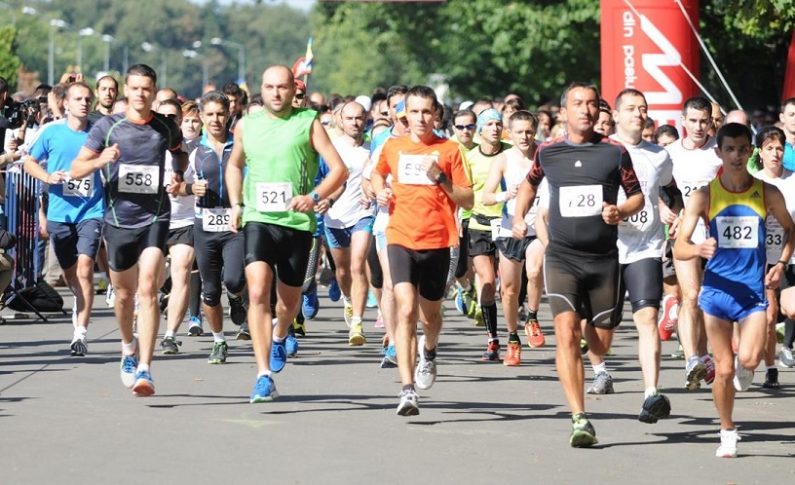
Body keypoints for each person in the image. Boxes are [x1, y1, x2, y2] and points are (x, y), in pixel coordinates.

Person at [512, 82, 644, 447]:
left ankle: (593, 344)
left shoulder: (615, 153)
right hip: (562, 257)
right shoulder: (549, 153)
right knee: (566, 331)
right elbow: (528, 185)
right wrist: (519, 216)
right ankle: (579, 416)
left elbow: (637, 197)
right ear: (564, 111)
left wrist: (620, 210)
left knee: (599, 341)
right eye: (577, 103)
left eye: (591, 104)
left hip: (603, 260)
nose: (585, 110)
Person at [226, 65, 347, 403]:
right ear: (261, 90)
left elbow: (339, 169)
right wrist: (236, 204)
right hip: (258, 218)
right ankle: (263, 374)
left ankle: (280, 334)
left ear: (292, 89)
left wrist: (314, 197)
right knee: (258, 291)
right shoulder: (247, 125)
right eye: (269, 87)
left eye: (282, 87)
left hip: (296, 223)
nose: (276, 93)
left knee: (288, 302)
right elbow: (234, 164)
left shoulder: (307, 122)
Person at [674, 122, 794, 458]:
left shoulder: (767, 192)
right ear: (720, 152)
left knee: (751, 359)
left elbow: (790, 230)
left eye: (743, 149)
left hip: (752, 292)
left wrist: (780, 265)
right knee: (723, 369)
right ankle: (727, 429)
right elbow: (679, 247)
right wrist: (698, 250)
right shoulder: (704, 195)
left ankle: (747, 366)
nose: (737, 156)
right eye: (730, 149)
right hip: (716, 293)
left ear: (750, 152)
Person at [71, 64, 186, 397]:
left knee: (148, 288)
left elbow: (180, 154)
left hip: (155, 216)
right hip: (118, 220)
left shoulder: (165, 126)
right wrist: (101, 160)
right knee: (123, 295)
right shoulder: (108, 127)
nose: (140, 94)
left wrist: (178, 176)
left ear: (153, 90)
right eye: (134, 88)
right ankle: (127, 345)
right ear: (127, 91)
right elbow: (77, 168)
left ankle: (146, 369)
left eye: (146, 89)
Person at [371, 85, 473, 416]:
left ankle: (429, 351)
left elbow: (468, 199)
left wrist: (442, 179)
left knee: (430, 317)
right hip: (400, 237)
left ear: (436, 114)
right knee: (405, 310)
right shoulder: (393, 146)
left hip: (438, 242)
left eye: (426, 111)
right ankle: (407, 389)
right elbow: (375, 174)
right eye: (414, 111)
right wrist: (379, 192)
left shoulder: (449, 150)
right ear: (405, 115)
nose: (420, 118)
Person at [583, 89, 681, 425]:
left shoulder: (659, 155)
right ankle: (599, 367)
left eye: (643, 108)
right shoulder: (599, 152)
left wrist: (674, 212)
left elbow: (669, 189)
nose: (638, 114)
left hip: (646, 248)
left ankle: (651, 393)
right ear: (617, 116)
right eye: (630, 108)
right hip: (606, 249)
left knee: (647, 319)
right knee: (601, 328)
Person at [24, 81, 103, 356]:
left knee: (84, 271)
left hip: (92, 212)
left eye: (87, 99)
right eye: (78, 98)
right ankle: (80, 304)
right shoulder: (51, 133)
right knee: (72, 275)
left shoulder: (99, 133)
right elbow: (28, 161)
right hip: (60, 214)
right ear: (65, 104)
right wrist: (47, 177)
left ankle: (80, 333)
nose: (84, 103)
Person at [482, 110, 546, 366]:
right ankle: (512, 338)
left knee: (535, 269)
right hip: (510, 230)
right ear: (511, 133)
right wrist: (505, 195)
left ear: (535, 131)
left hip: (537, 229)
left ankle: (531, 316)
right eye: (519, 132)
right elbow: (486, 195)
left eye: (529, 131)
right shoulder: (503, 159)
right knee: (508, 291)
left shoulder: (545, 154)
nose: (525, 137)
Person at [667, 96, 722, 390]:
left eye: (704, 121)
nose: (699, 127)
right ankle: (692, 360)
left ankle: (703, 355)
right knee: (691, 296)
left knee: (707, 301)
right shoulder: (670, 153)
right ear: (683, 121)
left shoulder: (719, 153)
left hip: (716, 236)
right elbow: (657, 191)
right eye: (693, 121)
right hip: (684, 235)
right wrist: (668, 212)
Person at [321, 101, 374, 345]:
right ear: (341, 121)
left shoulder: (373, 149)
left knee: (357, 265)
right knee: (342, 271)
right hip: (335, 217)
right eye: (350, 118)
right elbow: (326, 180)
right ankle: (348, 299)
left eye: (359, 118)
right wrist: (324, 200)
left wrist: (371, 191)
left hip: (363, 214)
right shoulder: (332, 148)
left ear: (366, 119)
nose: (355, 123)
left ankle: (358, 323)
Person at [751, 126, 795, 382]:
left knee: (790, 310)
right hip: (762, 257)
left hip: (790, 256)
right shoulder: (753, 182)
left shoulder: (793, 180)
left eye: (780, 148)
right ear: (760, 152)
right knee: (768, 316)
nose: (775, 153)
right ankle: (770, 369)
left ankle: (786, 346)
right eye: (769, 148)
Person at [464, 108, 508, 360]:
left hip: (509, 223)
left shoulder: (511, 152)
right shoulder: (470, 157)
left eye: (498, 123)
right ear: (479, 131)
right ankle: (492, 339)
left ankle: (518, 316)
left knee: (510, 287)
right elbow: (464, 191)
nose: (495, 128)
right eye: (489, 124)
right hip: (479, 224)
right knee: (488, 281)